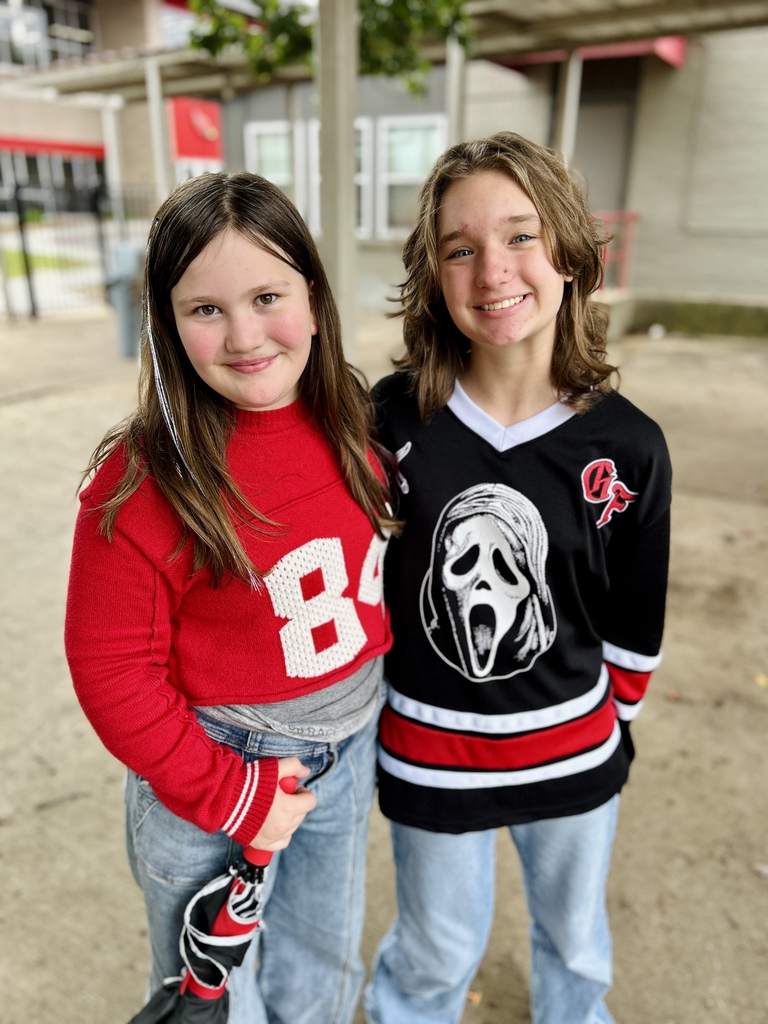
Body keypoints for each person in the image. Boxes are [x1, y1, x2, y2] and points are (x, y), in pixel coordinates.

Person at [64, 171, 398, 1024]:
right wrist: (232, 792)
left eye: (266, 296)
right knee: (214, 994)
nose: (244, 333)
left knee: (322, 970)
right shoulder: (139, 483)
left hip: (345, 755)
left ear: (314, 302)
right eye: (205, 309)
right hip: (209, 776)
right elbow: (111, 670)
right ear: (168, 328)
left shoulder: (354, 427)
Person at [364, 132, 671, 1024]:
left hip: (573, 752)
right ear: (435, 273)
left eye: (521, 236)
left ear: (571, 253)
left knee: (575, 945)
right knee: (435, 954)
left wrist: (609, 723)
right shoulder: (387, 421)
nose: (492, 269)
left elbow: (634, 615)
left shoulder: (628, 445)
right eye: (461, 249)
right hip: (430, 755)